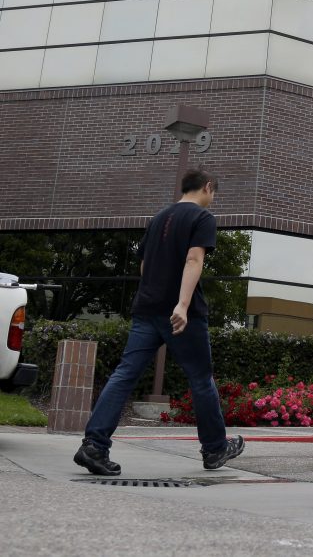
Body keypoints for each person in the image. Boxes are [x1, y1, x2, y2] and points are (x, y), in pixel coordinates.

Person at [73, 168, 244, 476]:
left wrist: (156, 294)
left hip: (147, 308)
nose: (213, 199)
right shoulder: (202, 218)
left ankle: (94, 446)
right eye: (214, 193)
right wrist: (182, 304)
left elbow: (144, 265)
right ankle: (215, 448)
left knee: (125, 374)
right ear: (207, 187)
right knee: (201, 379)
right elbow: (194, 259)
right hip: (181, 314)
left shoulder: (157, 218)